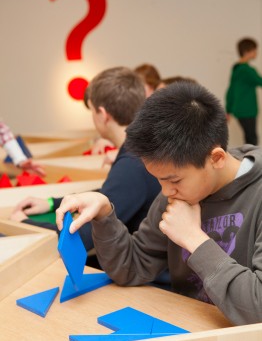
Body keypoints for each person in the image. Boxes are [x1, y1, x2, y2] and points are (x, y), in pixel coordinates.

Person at [56, 81, 262, 326]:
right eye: (158, 180)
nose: (165, 192)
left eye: (173, 179)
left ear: (216, 158)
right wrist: (104, 213)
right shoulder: (175, 193)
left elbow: (257, 308)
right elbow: (130, 267)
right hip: (185, 332)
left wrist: (193, 239)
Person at [10, 67, 161, 254]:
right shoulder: (138, 152)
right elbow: (109, 195)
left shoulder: (131, 164)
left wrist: (24, 223)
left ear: (103, 114)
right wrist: (53, 203)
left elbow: (81, 237)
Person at [225, 37, 262, 145]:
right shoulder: (247, 70)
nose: (256, 53)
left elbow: (230, 90)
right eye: (254, 50)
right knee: (252, 139)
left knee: (249, 138)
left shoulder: (236, 68)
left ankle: (249, 160)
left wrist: (228, 110)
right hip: (248, 110)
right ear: (247, 52)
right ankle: (253, 161)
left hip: (239, 110)